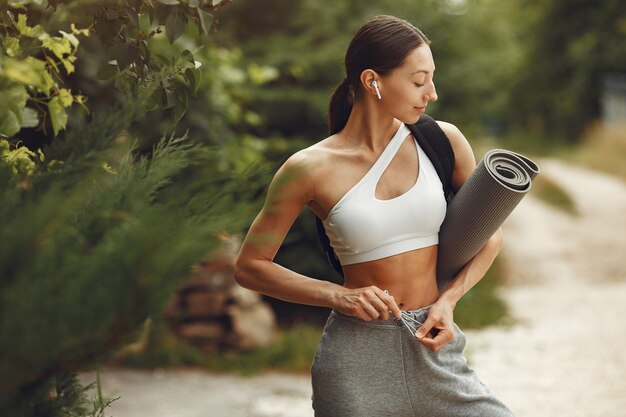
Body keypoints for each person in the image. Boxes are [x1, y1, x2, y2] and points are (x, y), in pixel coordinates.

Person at [234, 14, 514, 417]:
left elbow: (491, 234)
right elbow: (250, 267)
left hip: (435, 347)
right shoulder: (308, 168)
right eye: (419, 81)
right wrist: (340, 296)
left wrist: (449, 300)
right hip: (355, 361)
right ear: (372, 81)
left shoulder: (443, 141)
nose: (431, 93)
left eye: (432, 79)